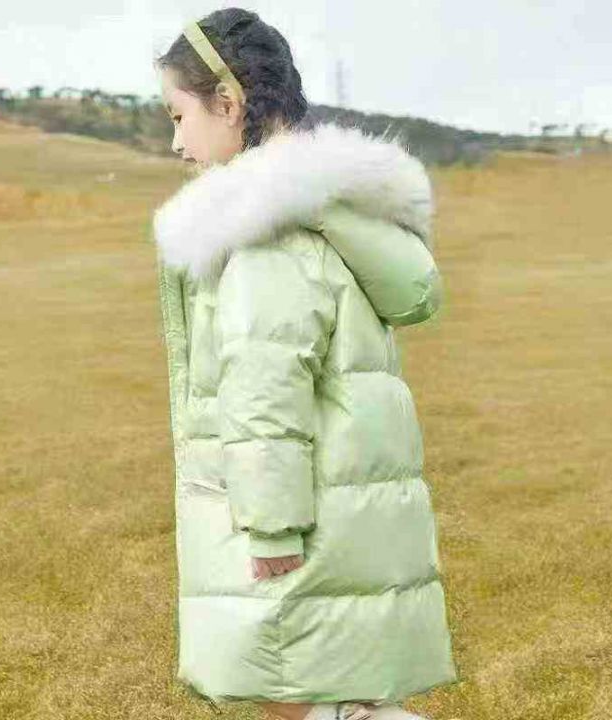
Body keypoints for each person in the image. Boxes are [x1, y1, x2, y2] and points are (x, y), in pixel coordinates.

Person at [152, 9, 459, 720]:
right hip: (343, 501)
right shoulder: (332, 209)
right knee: (328, 691)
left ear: (229, 102)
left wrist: (270, 527)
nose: (176, 143)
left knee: (298, 697)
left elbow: (265, 383)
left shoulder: (266, 230)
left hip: (299, 513)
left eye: (178, 115)